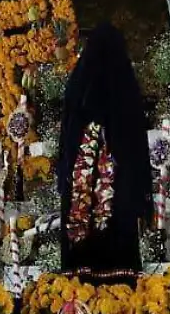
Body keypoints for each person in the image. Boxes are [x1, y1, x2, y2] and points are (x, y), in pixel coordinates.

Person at [57, 23, 152, 276]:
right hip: (119, 193)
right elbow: (137, 150)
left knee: (82, 257)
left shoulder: (79, 86)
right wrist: (143, 198)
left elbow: (65, 144)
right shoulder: (125, 87)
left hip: (85, 189)